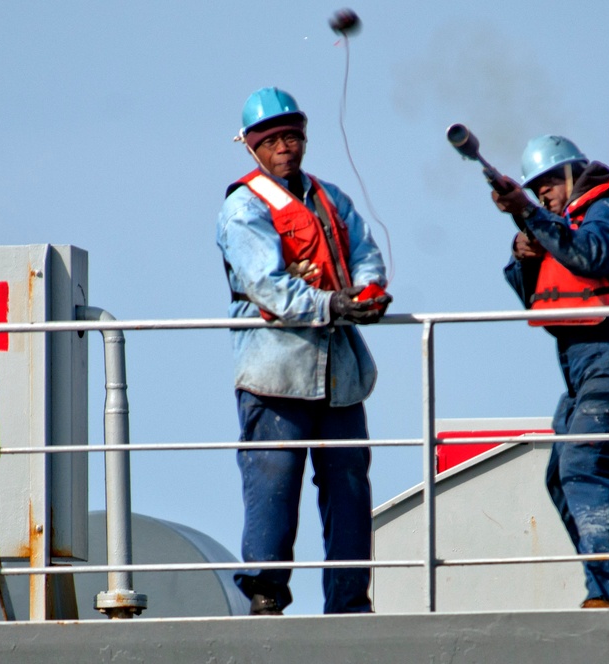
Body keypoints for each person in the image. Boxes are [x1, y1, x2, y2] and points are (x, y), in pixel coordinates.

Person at [215, 87, 392, 616]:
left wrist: (367, 291)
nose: (285, 148)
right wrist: (333, 302)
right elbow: (265, 284)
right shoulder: (242, 208)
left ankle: (349, 602)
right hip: (275, 373)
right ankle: (267, 595)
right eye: (271, 140)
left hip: (340, 375)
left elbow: (365, 254)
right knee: (273, 480)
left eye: (292, 136)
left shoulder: (332, 198)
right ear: (251, 148)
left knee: (349, 489)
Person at [491, 135, 609, 609]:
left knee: (585, 464)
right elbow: (537, 295)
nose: (544, 193)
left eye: (549, 183)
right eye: (537, 187)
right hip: (585, 373)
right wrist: (523, 252)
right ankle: (608, 588)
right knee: (561, 474)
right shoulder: (563, 221)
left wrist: (531, 215)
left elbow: (592, 256)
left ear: (573, 175)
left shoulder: (607, 211)